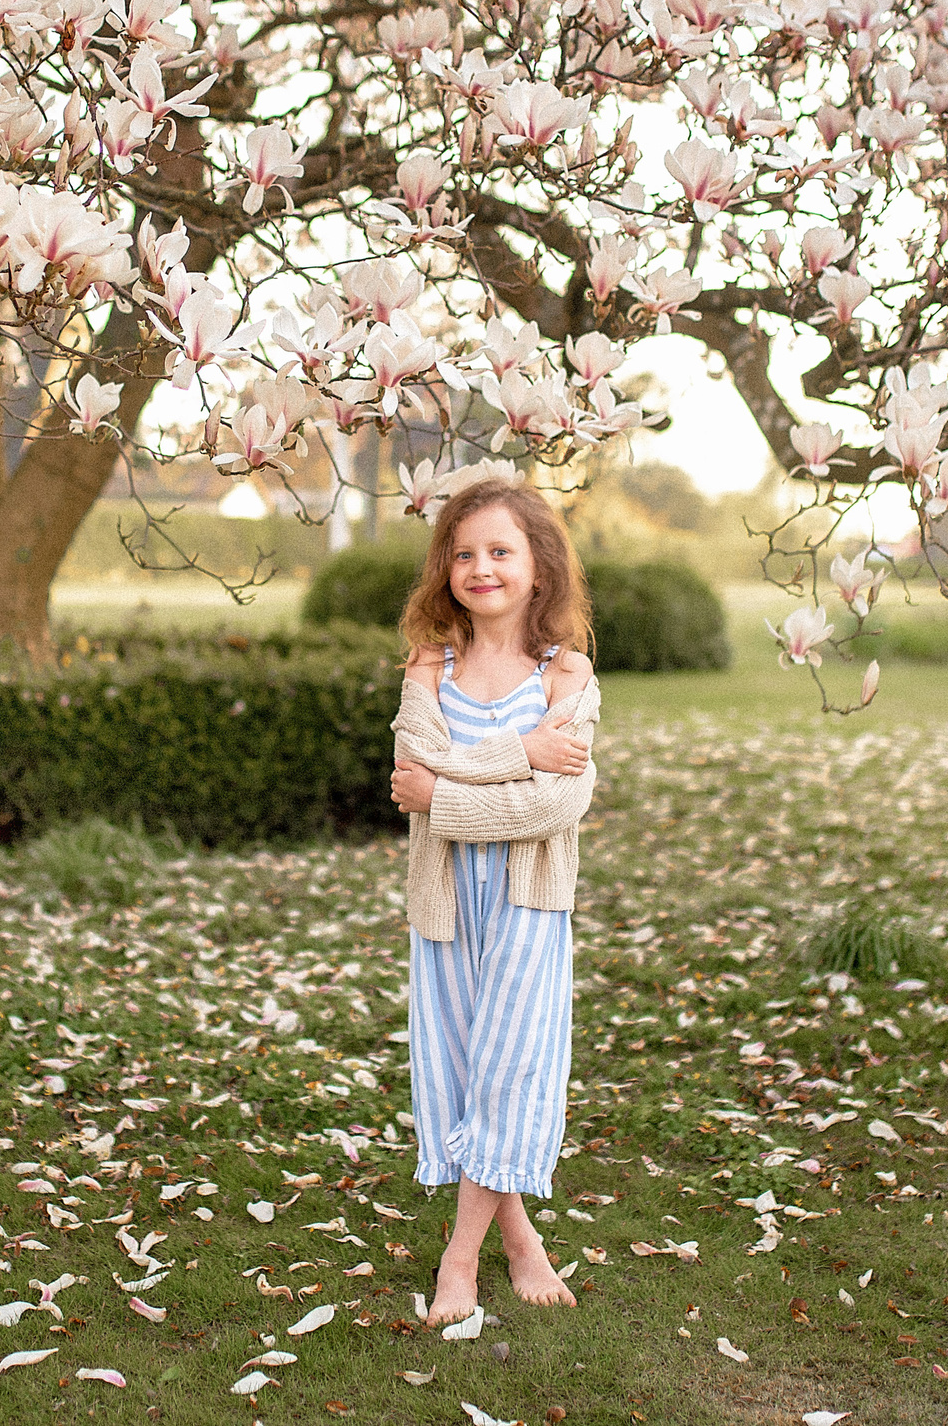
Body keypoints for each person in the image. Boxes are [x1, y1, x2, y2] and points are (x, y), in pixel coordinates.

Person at [387, 475, 601, 1324]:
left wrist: (444, 795)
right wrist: (520, 750)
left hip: (526, 904)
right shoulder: (428, 666)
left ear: (539, 568)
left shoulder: (568, 673)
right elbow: (410, 762)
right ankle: (522, 1241)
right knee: (461, 1069)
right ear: (445, 568)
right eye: (464, 552)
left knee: (510, 1065)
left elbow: (560, 803)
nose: (481, 567)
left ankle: (459, 1258)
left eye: (501, 551)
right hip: (444, 907)